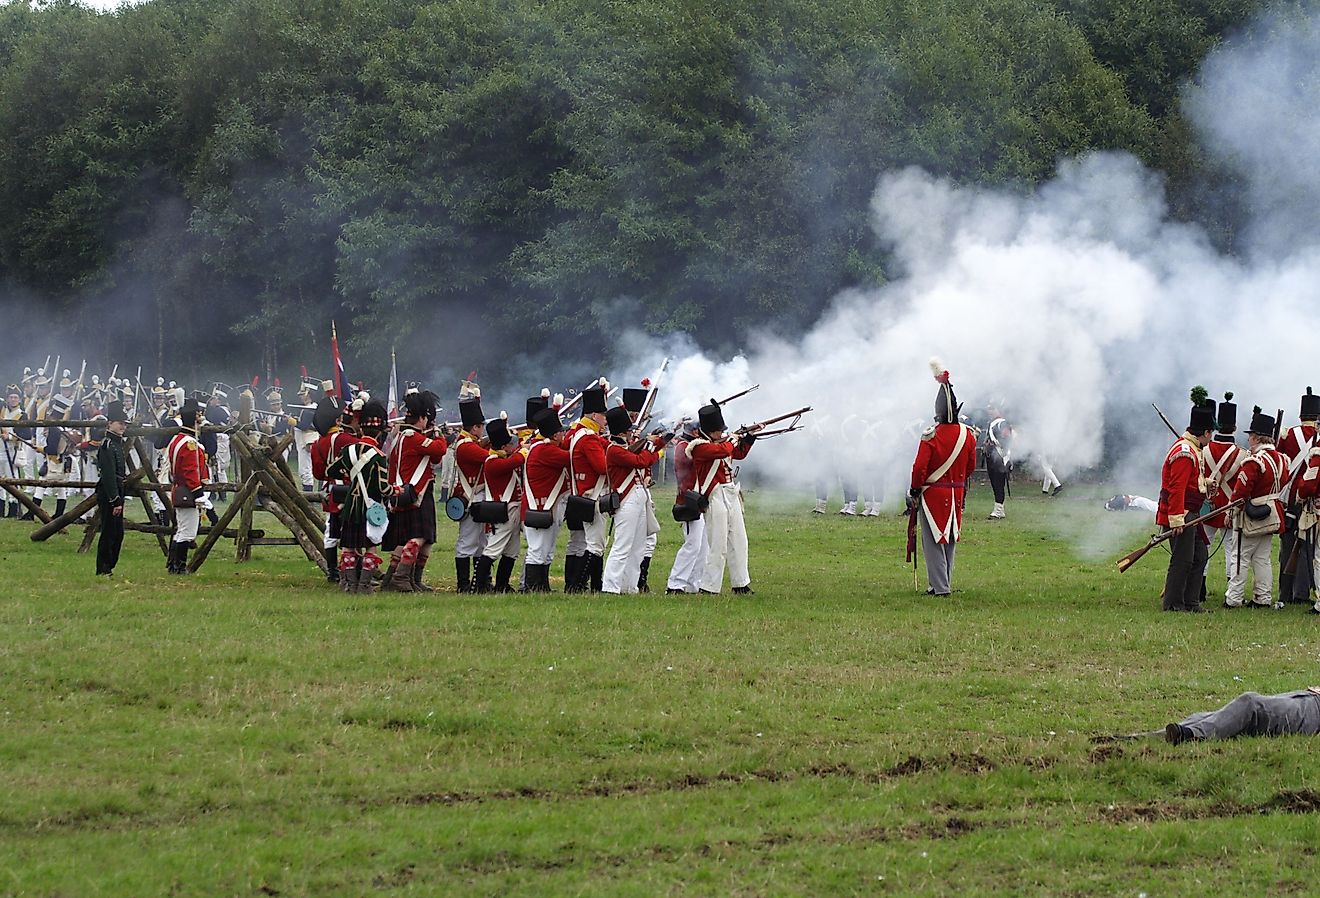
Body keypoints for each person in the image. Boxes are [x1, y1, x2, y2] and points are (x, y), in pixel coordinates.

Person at [909, 360, 978, 596]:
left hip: (933, 493)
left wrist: (915, 489)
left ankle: (940, 587)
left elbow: (920, 468)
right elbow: (971, 466)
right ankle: (942, 582)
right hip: (956, 491)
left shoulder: (931, 435)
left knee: (933, 540)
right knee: (949, 537)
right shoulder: (967, 436)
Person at [382, 390, 448, 592]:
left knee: (424, 539)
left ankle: (409, 580)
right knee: (417, 537)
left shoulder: (405, 437)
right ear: (422, 418)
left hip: (411, 492)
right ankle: (401, 577)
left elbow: (433, 459)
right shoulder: (412, 437)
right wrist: (438, 435)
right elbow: (440, 450)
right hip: (415, 493)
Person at [1157, 389, 1216, 612]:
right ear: (1206, 432)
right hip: (1180, 512)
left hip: (1190, 511)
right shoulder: (1184, 452)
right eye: (1211, 433)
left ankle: (1191, 603)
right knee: (1182, 560)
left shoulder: (1193, 449)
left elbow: (1192, 481)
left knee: (1199, 556)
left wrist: (1207, 483)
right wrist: (1176, 520)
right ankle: (1173, 604)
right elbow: (1177, 489)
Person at [689, 401, 757, 594]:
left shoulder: (721, 442)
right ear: (710, 431)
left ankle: (740, 583)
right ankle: (709, 586)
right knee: (717, 544)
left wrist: (749, 437)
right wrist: (733, 439)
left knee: (739, 540)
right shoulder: (698, 447)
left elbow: (738, 453)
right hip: (714, 496)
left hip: (730, 493)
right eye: (719, 430)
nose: (721, 433)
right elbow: (724, 450)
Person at [325, 399, 392, 593]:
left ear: (361, 428)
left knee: (348, 547)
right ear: (380, 432)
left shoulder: (349, 450)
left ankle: (350, 585)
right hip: (370, 507)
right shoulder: (379, 455)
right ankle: (364, 586)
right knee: (370, 547)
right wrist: (397, 491)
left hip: (351, 505)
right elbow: (383, 488)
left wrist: (348, 473)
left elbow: (331, 470)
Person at [1224, 407, 1286, 609]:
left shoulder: (1254, 461)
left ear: (1257, 437)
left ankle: (1233, 598)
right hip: (1272, 512)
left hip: (1251, 515)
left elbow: (1240, 492)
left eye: (1251, 435)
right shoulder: (1282, 459)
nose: (1249, 439)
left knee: (1240, 557)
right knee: (1262, 559)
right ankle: (1263, 598)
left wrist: (1230, 512)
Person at [601, 405, 667, 594]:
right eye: (629, 431)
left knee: (638, 546)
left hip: (638, 497)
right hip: (626, 499)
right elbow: (640, 461)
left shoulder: (624, 447)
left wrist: (662, 440)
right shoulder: (614, 450)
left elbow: (645, 457)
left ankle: (630, 586)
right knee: (622, 545)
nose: (632, 434)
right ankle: (610, 586)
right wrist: (649, 443)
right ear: (622, 432)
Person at [564, 384, 610, 592]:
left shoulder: (579, 434)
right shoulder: (589, 439)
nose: (605, 419)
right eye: (603, 415)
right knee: (596, 544)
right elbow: (602, 467)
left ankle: (591, 584)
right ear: (593, 415)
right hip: (594, 494)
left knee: (592, 543)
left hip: (586, 493)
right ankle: (579, 584)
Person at [521, 406, 571, 592]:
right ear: (556, 435)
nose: (564, 435)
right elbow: (571, 458)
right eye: (562, 432)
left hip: (548, 505)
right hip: (541, 505)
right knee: (538, 549)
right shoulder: (546, 450)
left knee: (546, 550)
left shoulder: (543, 447)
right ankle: (532, 587)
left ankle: (542, 586)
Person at [1202, 392, 1246, 606]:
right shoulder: (1242, 454)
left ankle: (1198, 589)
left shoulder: (1203, 450)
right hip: (1230, 508)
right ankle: (1232, 591)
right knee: (1232, 549)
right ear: (1235, 428)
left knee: (1203, 547)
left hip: (1207, 507)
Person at [1278, 387, 1320, 604]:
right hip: (1310, 501)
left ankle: (1284, 591)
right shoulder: (1318, 437)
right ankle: (1301, 593)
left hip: (1289, 499)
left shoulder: (1288, 435)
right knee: (1308, 548)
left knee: (1288, 546)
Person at [310, 395, 357, 583]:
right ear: (338, 419)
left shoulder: (317, 444)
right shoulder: (349, 439)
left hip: (331, 492)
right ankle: (351, 570)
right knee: (353, 530)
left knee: (331, 532)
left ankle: (333, 572)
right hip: (351, 490)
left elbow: (319, 474)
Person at [475, 415, 525, 593]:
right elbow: (516, 461)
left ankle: (502, 585)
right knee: (493, 549)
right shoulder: (492, 462)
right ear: (503, 447)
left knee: (512, 550)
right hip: (503, 510)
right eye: (509, 444)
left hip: (513, 510)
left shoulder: (501, 458)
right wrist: (524, 451)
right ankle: (479, 585)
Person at [1165, 688, 1320, 743]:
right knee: (1212, 716)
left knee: (1250, 704)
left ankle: (1192, 735)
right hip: (1308, 696)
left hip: (1313, 711)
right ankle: (1153, 737)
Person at [447, 394, 488, 593]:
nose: (483, 430)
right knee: (467, 542)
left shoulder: (470, 442)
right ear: (475, 428)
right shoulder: (466, 446)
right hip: (470, 496)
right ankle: (463, 585)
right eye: (481, 427)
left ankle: (480, 583)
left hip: (478, 496)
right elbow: (489, 459)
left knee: (481, 542)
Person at [165, 398, 209, 575]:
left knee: (181, 529)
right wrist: (198, 492)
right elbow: (191, 471)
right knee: (188, 532)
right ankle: (179, 567)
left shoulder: (177, 439)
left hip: (179, 489)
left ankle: (173, 565)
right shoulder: (190, 444)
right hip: (188, 491)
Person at [665, 420, 708, 593]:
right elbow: (697, 459)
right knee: (692, 545)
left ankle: (693, 584)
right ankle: (675, 584)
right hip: (689, 501)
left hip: (701, 500)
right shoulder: (683, 446)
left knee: (703, 547)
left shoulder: (693, 444)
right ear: (696, 431)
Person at [94, 400, 130, 576]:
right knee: (109, 532)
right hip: (110, 492)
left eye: (124, 424)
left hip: (117, 489)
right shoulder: (108, 445)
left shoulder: (117, 444)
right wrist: (115, 499)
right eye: (120, 423)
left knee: (117, 533)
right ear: (110, 424)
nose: (123, 426)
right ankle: (103, 568)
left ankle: (109, 566)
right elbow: (108, 475)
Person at [984, 402, 1012, 521]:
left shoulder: (1002, 423)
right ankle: (1000, 509)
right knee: (995, 484)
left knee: (998, 483)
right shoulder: (992, 423)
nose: (990, 412)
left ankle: (998, 510)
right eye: (989, 409)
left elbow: (1006, 440)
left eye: (992, 409)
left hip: (999, 457)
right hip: (993, 457)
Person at [1, 384, 24, 518]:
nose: (13, 399)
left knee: (12, 480)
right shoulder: (2, 411)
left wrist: (9, 437)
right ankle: (0, 508)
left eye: (16, 397)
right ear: (7, 399)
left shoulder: (22, 415)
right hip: (0, 449)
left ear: (19, 400)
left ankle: (13, 509)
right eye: (11, 397)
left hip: (12, 450)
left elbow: (25, 434)